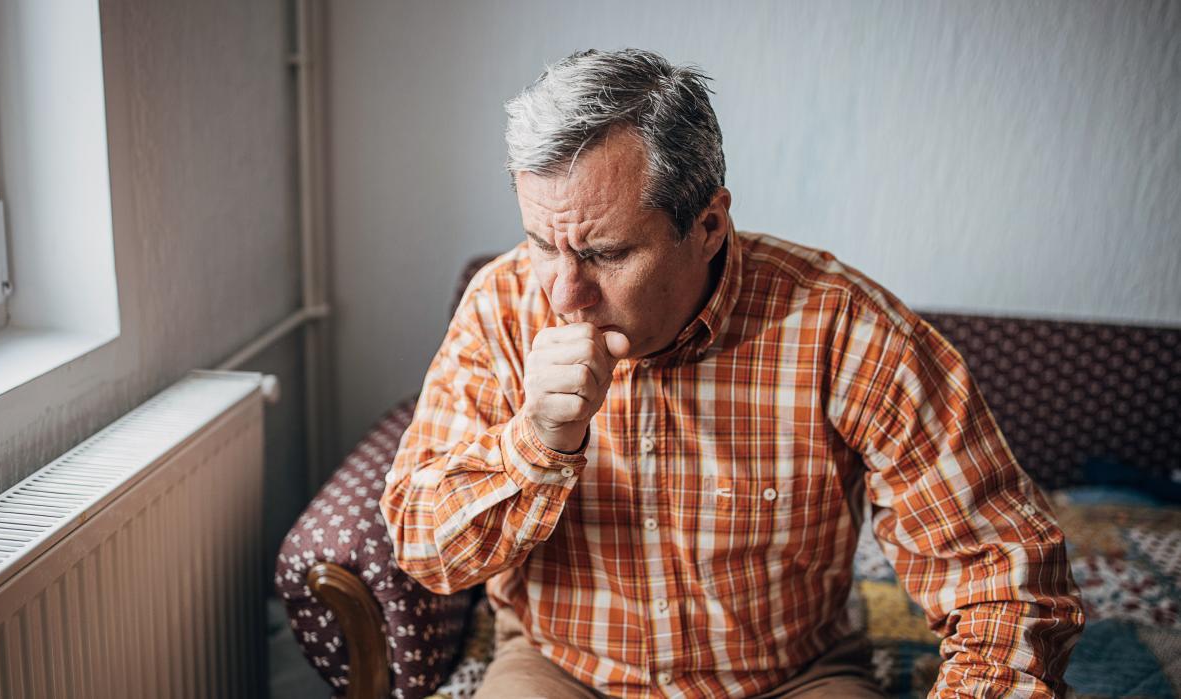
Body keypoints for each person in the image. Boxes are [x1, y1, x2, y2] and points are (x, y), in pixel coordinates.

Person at [381, 48, 1083, 698]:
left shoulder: (844, 327)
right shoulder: (501, 306)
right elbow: (422, 546)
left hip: (790, 676)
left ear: (710, 225)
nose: (564, 294)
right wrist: (533, 442)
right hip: (561, 666)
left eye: (608, 252)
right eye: (541, 243)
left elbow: (1004, 577)